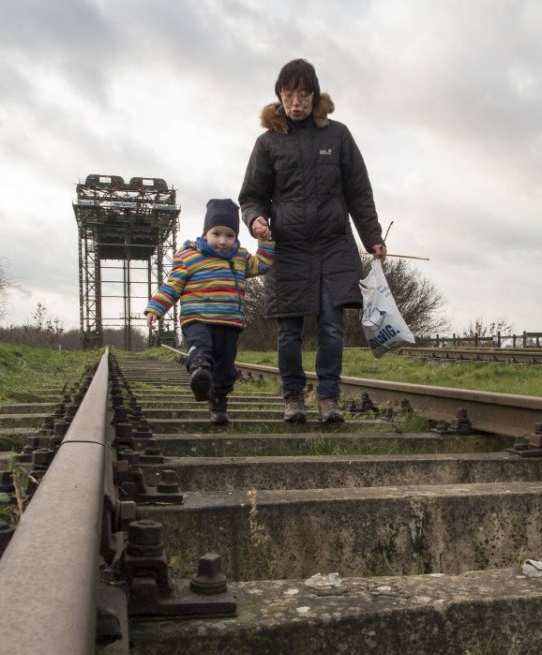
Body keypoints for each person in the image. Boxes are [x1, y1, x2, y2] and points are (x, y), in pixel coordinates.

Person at [239, 58, 387, 424]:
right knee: (289, 329)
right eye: (289, 94)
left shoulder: (338, 136)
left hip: (333, 244)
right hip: (288, 246)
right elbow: (252, 195)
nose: (296, 102)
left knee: (332, 325)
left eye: (303, 94)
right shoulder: (267, 142)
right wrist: (256, 219)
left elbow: (359, 193)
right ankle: (292, 397)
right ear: (280, 96)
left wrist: (373, 237)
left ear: (314, 95)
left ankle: (329, 397)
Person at [144, 198, 274, 425]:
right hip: (198, 319)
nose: (223, 241)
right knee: (201, 349)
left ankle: (218, 401)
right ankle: (199, 372)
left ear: (235, 237)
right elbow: (172, 285)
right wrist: (157, 307)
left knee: (225, 366)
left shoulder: (240, 257)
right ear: (206, 233)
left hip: (229, 323)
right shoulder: (189, 257)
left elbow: (262, 265)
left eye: (229, 235)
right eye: (216, 234)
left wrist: (265, 242)